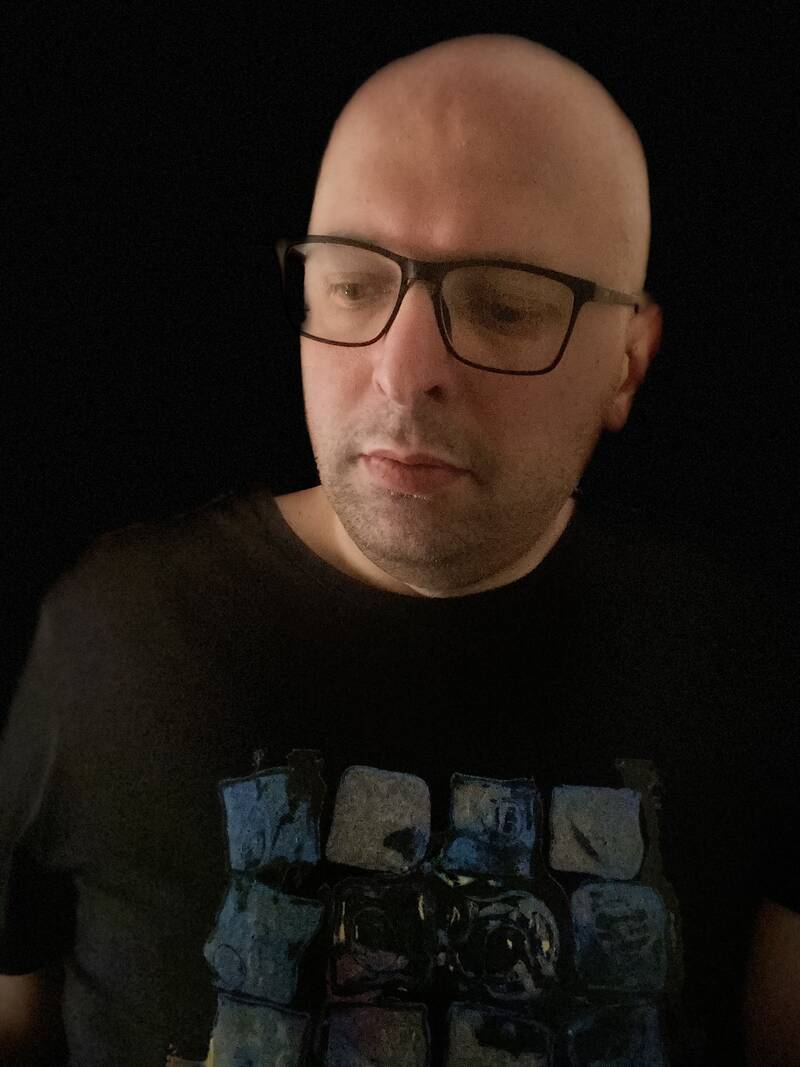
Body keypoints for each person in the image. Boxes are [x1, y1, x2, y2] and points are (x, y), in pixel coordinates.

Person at [0, 32, 796, 1067]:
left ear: (628, 363)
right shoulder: (112, 635)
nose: (400, 369)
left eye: (504, 304)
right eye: (351, 285)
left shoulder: (744, 667)